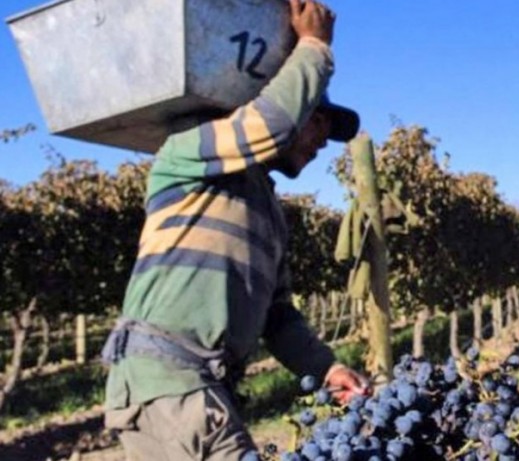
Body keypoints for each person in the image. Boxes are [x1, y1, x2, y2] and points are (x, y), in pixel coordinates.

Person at [100, 1, 368, 459]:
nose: (323, 142)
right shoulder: (186, 156)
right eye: (319, 121)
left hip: (200, 386)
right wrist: (314, 48)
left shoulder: (267, 213)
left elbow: (278, 317)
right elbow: (268, 123)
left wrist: (326, 368)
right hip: (169, 380)